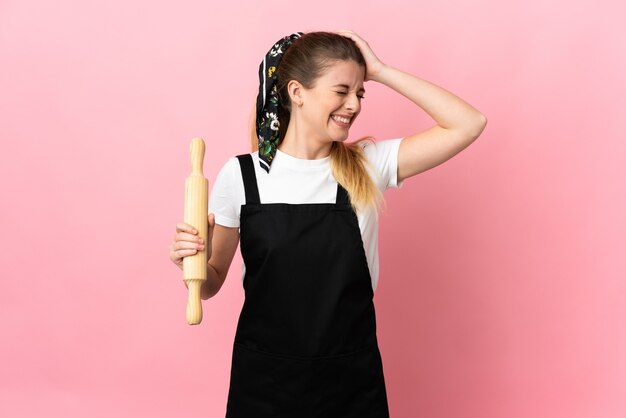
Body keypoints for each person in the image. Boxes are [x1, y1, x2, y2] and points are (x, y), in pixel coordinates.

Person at [169, 30, 487, 417]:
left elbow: (468, 123)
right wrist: (192, 263)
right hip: (264, 382)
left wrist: (382, 71)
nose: (353, 104)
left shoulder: (368, 166)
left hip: (349, 382)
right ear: (297, 92)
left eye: (360, 92)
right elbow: (211, 283)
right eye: (341, 91)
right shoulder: (241, 176)